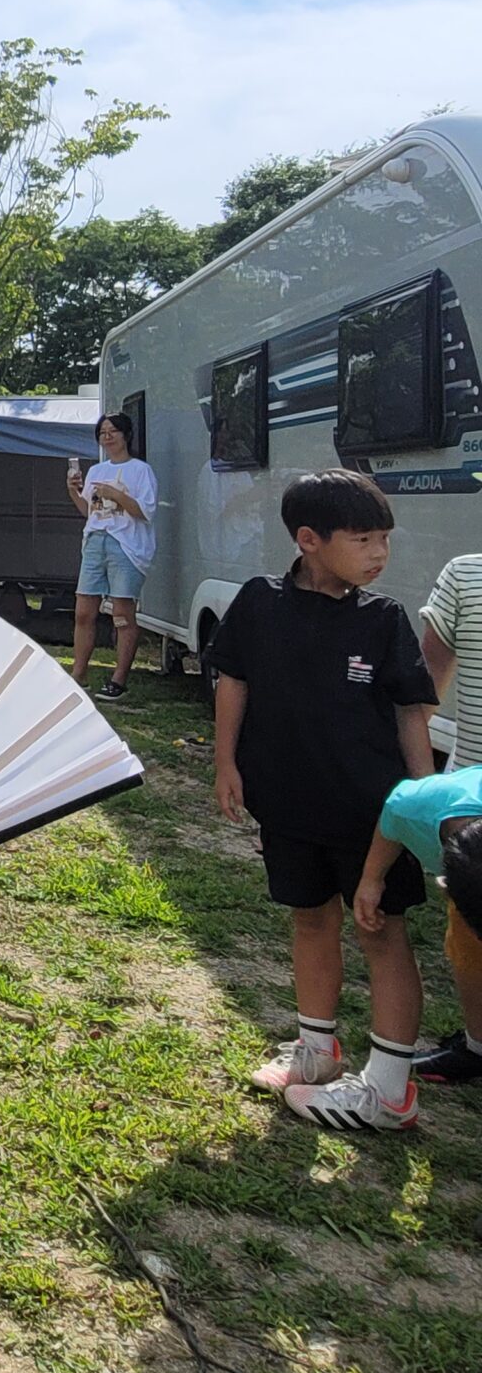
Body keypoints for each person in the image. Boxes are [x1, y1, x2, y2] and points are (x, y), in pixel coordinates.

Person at [211, 469, 437, 1133]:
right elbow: (234, 681)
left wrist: (423, 802)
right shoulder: (260, 602)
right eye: (364, 539)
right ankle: (316, 1050)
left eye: (385, 540)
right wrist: (226, 761)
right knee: (310, 920)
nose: (379, 554)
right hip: (287, 804)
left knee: (382, 933)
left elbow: (410, 716)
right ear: (309, 540)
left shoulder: (385, 619)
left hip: (374, 820)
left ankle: (391, 1089)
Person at [355, 764, 482, 1089]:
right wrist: (372, 879)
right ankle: (478, 1048)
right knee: (468, 952)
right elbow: (393, 812)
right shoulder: (418, 805)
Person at [414, 552, 482, 1081]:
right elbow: (427, 680)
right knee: (468, 926)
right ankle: (478, 1045)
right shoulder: (464, 573)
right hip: (471, 793)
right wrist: (415, 776)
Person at [67, 413, 158, 702]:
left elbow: (145, 512)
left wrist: (116, 495)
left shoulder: (141, 471)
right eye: (102, 432)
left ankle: (119, 679)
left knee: (121, 614)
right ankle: (77, 676)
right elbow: (89, 511)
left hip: (126, 544)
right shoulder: (95, 471)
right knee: (83, 611)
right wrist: (74, 492)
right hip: (95, 541)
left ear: (126, 435)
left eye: (113, 431)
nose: (107, 437)